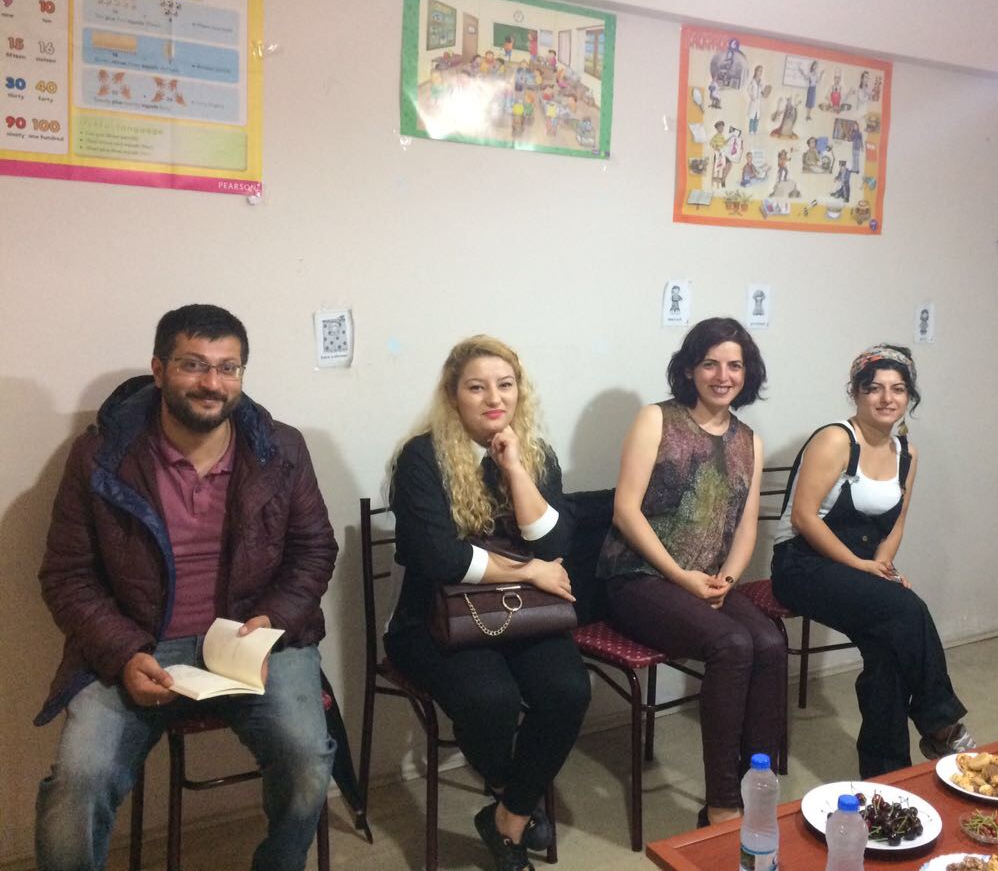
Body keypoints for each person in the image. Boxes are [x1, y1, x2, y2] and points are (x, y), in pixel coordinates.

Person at [34, 304, 338, 871]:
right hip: (138, 644)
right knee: (79, 781)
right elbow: (67, 575)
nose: (212, 383)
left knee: (307, 760)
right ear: (159, 369)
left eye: (228, 368)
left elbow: (314, 551)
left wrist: (271, 622)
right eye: (193, 364)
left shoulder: (282, 449)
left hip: (253, 636)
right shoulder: (101, 457)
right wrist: (124, 653)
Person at [386, 336, 588, 871]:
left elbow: (555, 543)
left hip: (522, 613)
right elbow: (440, 558)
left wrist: (516, 468)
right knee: (490, 698)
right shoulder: (422, 458)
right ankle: (510, 790)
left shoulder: (536, 454)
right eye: (477, 387)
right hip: (435, 619)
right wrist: (531, 571)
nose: (494, 398)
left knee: (568, 690)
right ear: (453, 396)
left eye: (506, 385)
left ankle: (509, 817)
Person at [598, 318, 785, 827]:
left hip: (705, 582)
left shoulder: (749, 440)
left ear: (748, 373)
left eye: (734, 366)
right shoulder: (656, 419)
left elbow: (745, 525)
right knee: (733, 643)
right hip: (637, 578)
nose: (723, 376)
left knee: (770, 643)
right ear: (688, 369)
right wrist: (682, 577)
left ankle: (758, 788)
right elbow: (625, 512)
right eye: (710, 364)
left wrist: (728, 578)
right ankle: (722, 805)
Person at [771, 344, 973, 778]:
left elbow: (896, 522)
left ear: (909, 397)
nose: (886, 398)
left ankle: (887, 774)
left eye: (898, 389)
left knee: (888, 648)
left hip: (860, 566)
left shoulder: (907, 454)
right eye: (874, 388)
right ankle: (941, 723)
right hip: (802, 564)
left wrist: (882, 566)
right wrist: (859, 566)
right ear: (856, 393)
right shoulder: (835, 439)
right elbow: (804, 517)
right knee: (907, 608)